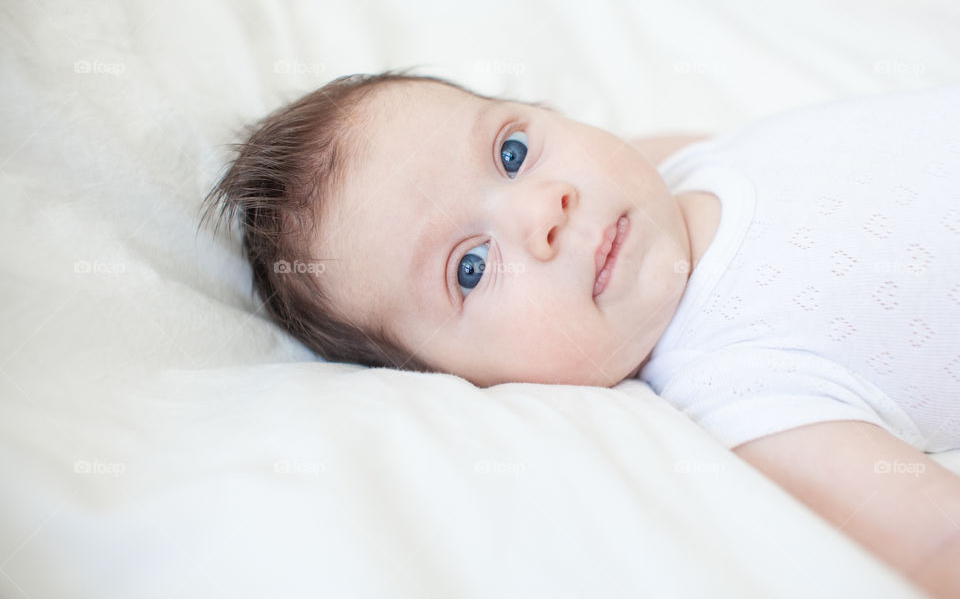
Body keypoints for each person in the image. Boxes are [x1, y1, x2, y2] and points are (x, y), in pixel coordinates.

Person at [202, 68, 960, 598]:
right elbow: (932, 546)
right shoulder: (744, 386)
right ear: (461, 380)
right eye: (471, 268)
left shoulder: (693, 162)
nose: (544, 209)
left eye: (512, 153)